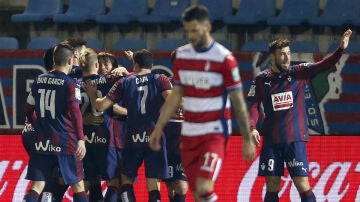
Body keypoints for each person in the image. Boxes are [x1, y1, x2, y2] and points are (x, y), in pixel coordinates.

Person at [149, 5, 256, 202]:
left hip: (213, 132)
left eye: (195, 30)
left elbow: (238, 100)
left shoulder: (224, 58)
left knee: (204, 187)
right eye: (188, 31)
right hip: (189, 134)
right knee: (197, 193)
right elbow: (175, 96)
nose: (191, 36)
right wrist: (158, 129)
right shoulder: (183, 56)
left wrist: (247, 138)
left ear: (207, 26)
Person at [247, 29, 353, 202]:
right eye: (282, 54)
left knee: (303, 185)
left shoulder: (299, 72)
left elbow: (325, 64)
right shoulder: (261, 79)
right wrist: (252, 128)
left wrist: (340, 49)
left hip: (294, 139)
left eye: (289, 53)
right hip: (272, 142)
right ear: (272, 57)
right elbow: (252, 105)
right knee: (272, 188)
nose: (287, 58)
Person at [84, 49, 172, 202]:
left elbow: (101, 106)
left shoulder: (123, 81)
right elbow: (173, 102)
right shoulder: (161, 78)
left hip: (133, 137)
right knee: (153, 183)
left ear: (135, 64)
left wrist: (92, 94)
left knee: (125, 180)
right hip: (155, 136)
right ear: (152, 64)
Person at [23, 42, 88, 202]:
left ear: (53, 59)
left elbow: (28, 109)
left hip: (42, 141)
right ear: (70, 62)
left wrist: (36, 124)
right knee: (78, 186)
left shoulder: (39, 80)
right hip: (66, 141)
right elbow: (75, 112)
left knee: (37, 186)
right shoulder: (71, 83)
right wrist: (80, 139)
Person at [79, 48, 126, 202]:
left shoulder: (75, 82)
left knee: (89, 180)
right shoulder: (111, 81)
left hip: (85, 138)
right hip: (106, 136)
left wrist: (82, 118)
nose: (104, 66)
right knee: (113, 180)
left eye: (107, 63)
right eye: (101, 63)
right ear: (96, 65)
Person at [151, 65, 189, 202]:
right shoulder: (164, 83)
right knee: (172, 189)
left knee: (182, 187)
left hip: (186, 146)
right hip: (167, 143)